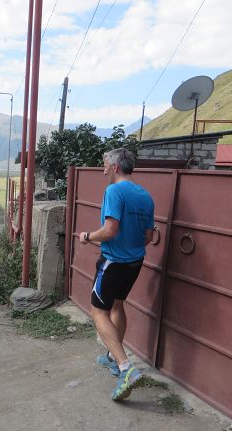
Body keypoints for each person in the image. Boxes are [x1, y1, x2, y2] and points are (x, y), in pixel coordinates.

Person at [79, 147, 155, 401]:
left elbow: (110, 230)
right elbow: (147, 237)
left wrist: (87, 236)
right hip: (135, 262)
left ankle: (125, 367)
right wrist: (130, 249)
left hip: (113, 262)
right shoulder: (146, 196)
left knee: (98, 311)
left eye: (104, 165)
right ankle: (112, 358)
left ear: (114, 167)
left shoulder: (114, 191)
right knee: (118, 305)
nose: (102, 170)